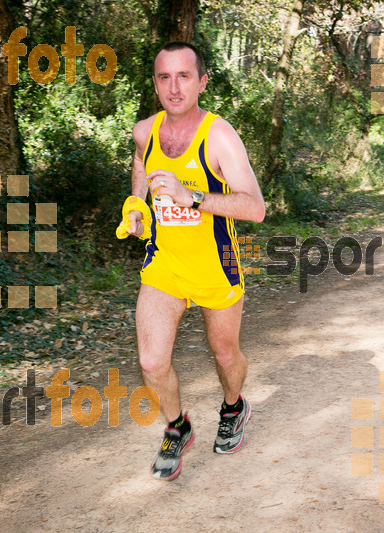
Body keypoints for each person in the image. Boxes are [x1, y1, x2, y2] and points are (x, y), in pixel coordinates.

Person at [122, 41, 265, 480]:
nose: (174, 87)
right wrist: (136, 207)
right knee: (151, 361)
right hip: (164, 264)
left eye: (184, 76)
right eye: (164, 77)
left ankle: (233, 407)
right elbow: (141, 169)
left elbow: (255, 208)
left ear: (201, 82)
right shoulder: (145, 130)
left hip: (214, 265)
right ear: (155, 84)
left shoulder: (219, 135)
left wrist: (194, 197)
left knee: (224, 354)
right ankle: (178, 426)